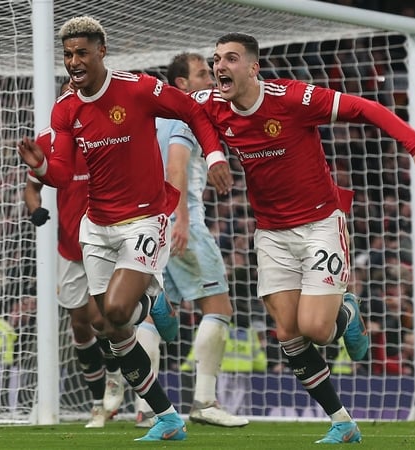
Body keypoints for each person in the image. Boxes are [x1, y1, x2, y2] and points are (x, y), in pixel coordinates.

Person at [193, 33, 415, 444]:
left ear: (252, 67)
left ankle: (346, 314)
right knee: (287, 333)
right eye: (215, 60)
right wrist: (213, 154)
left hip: (320, 223)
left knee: (315, 329)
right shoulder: (212, 103)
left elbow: (364, 107)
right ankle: (342, 422)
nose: (219, 67)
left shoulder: (294, 98)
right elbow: (186, 113)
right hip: (270, 233)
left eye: (230, 59)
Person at [17, 16, 232, 442]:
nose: (73, 62)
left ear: (101, 51)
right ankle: (168, 416)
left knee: (115, 311)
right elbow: (59, 174)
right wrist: (40, 165)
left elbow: (191, 110)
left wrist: (213, 157)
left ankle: (153, 300)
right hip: (95, 226)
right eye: (68, 54)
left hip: (144, 219)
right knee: (106, 328)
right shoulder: (65, 108)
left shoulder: (137, 88)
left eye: (81, 52)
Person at [134, 52, 249, 429]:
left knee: (153, 314)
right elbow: (177, 167)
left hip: (151, 225)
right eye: (202, 73)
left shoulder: (155, 119)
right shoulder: (185, 114)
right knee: (218, 306)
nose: (211, 78)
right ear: (181, 85)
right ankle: (204, 402)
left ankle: (145, 407)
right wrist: (181, 219)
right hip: (181, 222)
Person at [23, 86, 125, 426]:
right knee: (80, 325)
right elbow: (32, 186)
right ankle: (98, 401)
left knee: (101, 320)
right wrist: (35, 210)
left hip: (103, 242)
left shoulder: (106, 133)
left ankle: (115, 378)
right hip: (69, 247)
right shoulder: (49, 139)